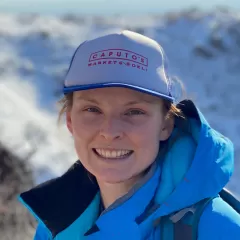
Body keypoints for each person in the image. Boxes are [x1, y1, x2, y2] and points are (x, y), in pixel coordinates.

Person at [19, 30, 240, 240]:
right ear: (70, 121)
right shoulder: (58, 224)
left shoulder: (215, 227)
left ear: (165, 125)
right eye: (92, 110)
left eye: (134, 112)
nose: (110, 131)